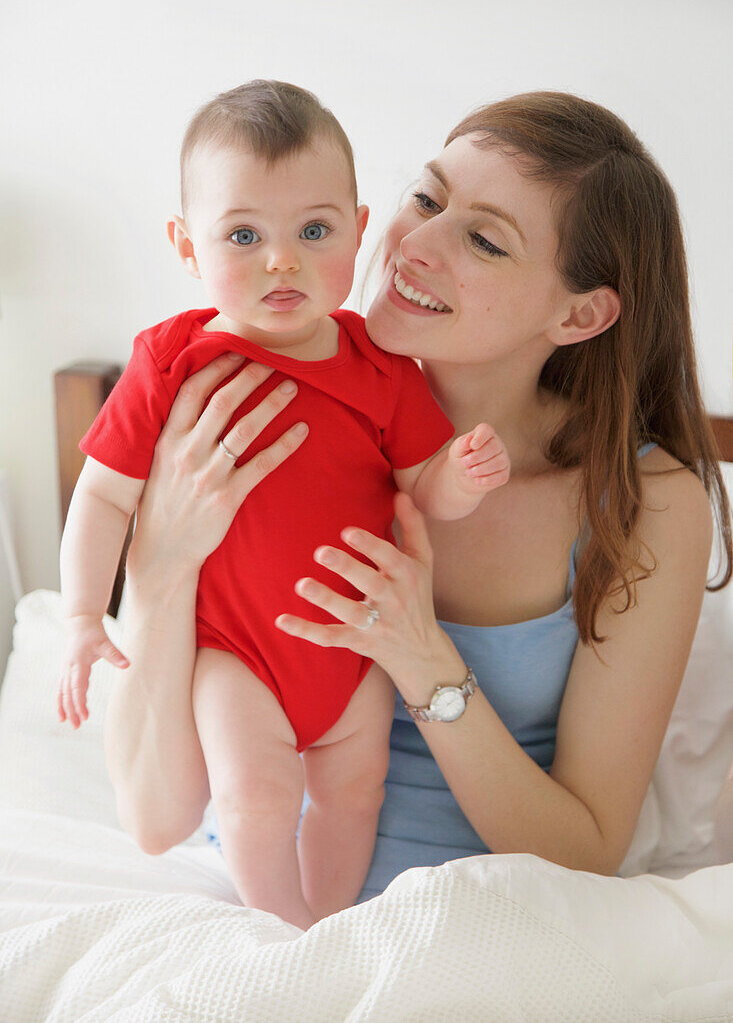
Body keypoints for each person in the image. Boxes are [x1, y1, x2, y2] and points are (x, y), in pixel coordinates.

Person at [103, 89, 732, 924]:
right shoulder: (234, 410)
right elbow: (155, 820)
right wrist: (159, 568)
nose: (414, 245)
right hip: (261, 904)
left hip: (477, 919)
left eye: (482, 239)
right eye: (427, 198)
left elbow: (586, 849)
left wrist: (421, 654)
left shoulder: (646, 504)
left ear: (579, 313)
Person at [56, 80, 510, 932]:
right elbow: (103, 495)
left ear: (358, 227)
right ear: (187, 247)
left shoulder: (382, 369)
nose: (281, 261)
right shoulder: (169, 361)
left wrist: (463, 474)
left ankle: (323, 929)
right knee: (256, 794)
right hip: (238, 654)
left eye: (312, 230)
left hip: (351, 643)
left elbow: (422, 490)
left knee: (352, 790)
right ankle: (276, 926)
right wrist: (84, 613)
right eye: (243, 235)